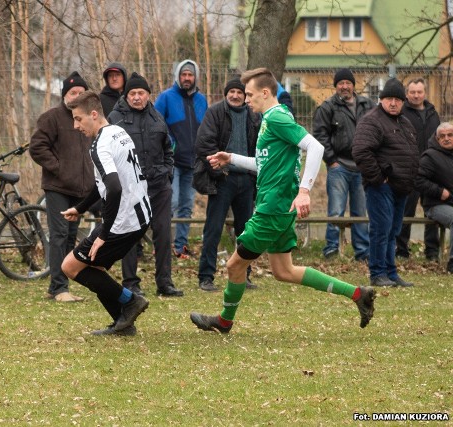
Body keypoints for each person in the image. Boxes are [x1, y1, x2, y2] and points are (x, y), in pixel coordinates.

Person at [190, 68, 376, 333]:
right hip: (276, 204)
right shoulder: (271, 118)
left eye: (251, 94)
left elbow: (315, 147)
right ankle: (359, 294)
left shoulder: (276, 118)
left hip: (273, 207)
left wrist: (304, 191)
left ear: (266, 93)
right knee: (284, 271)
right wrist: (232, 158)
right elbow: (264, 164)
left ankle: (224, 321)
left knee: (234, 265)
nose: (246, 100)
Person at [60, 91, 151, 336]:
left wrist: (104, 233)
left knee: (70, 266)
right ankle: (123, 322)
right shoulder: (118, 132)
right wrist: (80, 208)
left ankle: (131, 301)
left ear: (93, 114)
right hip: (140, 214)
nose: (75, 125)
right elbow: (105, 182)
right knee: (94, 267)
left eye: (78, 119)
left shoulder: (99, 145)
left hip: (124, 222)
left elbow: (114, 187)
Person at [108, 72, 184, 297]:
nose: (137, 97)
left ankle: (165, 283)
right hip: (131, 189)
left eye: (141, 93)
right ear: (126, 95)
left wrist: (168, 174)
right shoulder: (115, 118)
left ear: (149, 95)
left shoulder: (157, 117)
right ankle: (131, 283)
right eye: (132, 93)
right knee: (130, 236)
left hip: (159, 186)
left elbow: (168, 149)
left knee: (163, 234)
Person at [29, 71, 93, 302]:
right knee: (58, 235)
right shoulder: (52, 117)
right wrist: (59, 168)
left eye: (81, 92)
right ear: (64, 95)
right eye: (72, 92)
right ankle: (58, 288)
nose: (76, 96)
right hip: (57, 188)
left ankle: (61, 285)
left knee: (69, 238)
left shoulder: (88, 118)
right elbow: (37, 147)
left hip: (81, 189)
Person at [194, 77, 260, 292]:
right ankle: (206, 277)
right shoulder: (215, 112)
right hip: (223, 179)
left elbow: (260, 145)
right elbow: (204, 143)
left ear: (245, 95)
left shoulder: (254, 116)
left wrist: (254, 174)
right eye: (231, 91)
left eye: (239, 92)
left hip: (247, 180)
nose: (235, 95)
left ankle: (243, 276)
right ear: (226, 93)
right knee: (213, 229)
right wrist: (220, 170)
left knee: (246, 231)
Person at [352, 78, 419, 288]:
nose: (393, 103)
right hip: (381, 187)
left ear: (403, 102)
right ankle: (378, 273)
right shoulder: (372, 120)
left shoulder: (405, 123)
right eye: (389, 99)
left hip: (401, 186)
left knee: (393, 231)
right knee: (381, 230)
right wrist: (379, 178)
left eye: (397, 100)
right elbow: (361, 151)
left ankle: (391, 273)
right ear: (381, 100)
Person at [313, 68, 375, 260]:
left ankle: (363, 251)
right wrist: (331, 161)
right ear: (336, 86)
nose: (345, 86)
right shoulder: (327, 107)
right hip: (338, 166)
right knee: (335, 210)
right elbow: (320, 135)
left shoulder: (368, 105)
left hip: (363, 167)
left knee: (360, 211)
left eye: (348, 83)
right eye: (341, 83)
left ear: (353, 85)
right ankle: (331, 248)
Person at [155, 59, 208, 258]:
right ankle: (162, 245)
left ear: (195, 77)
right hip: (172, 163)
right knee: (171, 202)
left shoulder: (202, 100)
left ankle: (180, 247)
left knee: (186, 205)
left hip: (193, 163)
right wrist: (171, 145)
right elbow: (156, 125)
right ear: (178, 76)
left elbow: (206, 128)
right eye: (183, 74)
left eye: (190, 75)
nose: (187, 78)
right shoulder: (166, 97)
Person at [396, 78, 441, 260]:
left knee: (432, 211)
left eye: (419, 92)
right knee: (406, 211)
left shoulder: (433, 113)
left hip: (431, 171)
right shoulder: (401, 113)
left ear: (425, 93)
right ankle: (401, 250)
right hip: (409, 170)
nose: (416, 95)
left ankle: (432, 251)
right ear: (407, 94)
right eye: (412, 92)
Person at [415, 122, 453, 274]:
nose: (446, 139)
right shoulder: (430, 156)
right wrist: (439, 192)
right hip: (435, 205)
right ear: (437, 139)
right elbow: (418, 180)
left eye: (450, 135)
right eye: (442, 136)